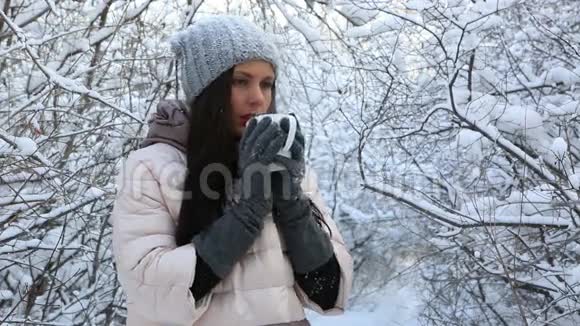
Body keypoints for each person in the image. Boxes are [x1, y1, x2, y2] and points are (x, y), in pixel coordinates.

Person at [110, 15, 353, 326]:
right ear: (207, 90)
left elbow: (328, 291)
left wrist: (290, 199)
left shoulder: (286, 167)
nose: (259, 98)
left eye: (267, 84)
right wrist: (247, 213)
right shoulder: (153, 168)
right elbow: (151, 290)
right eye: (241, 81)